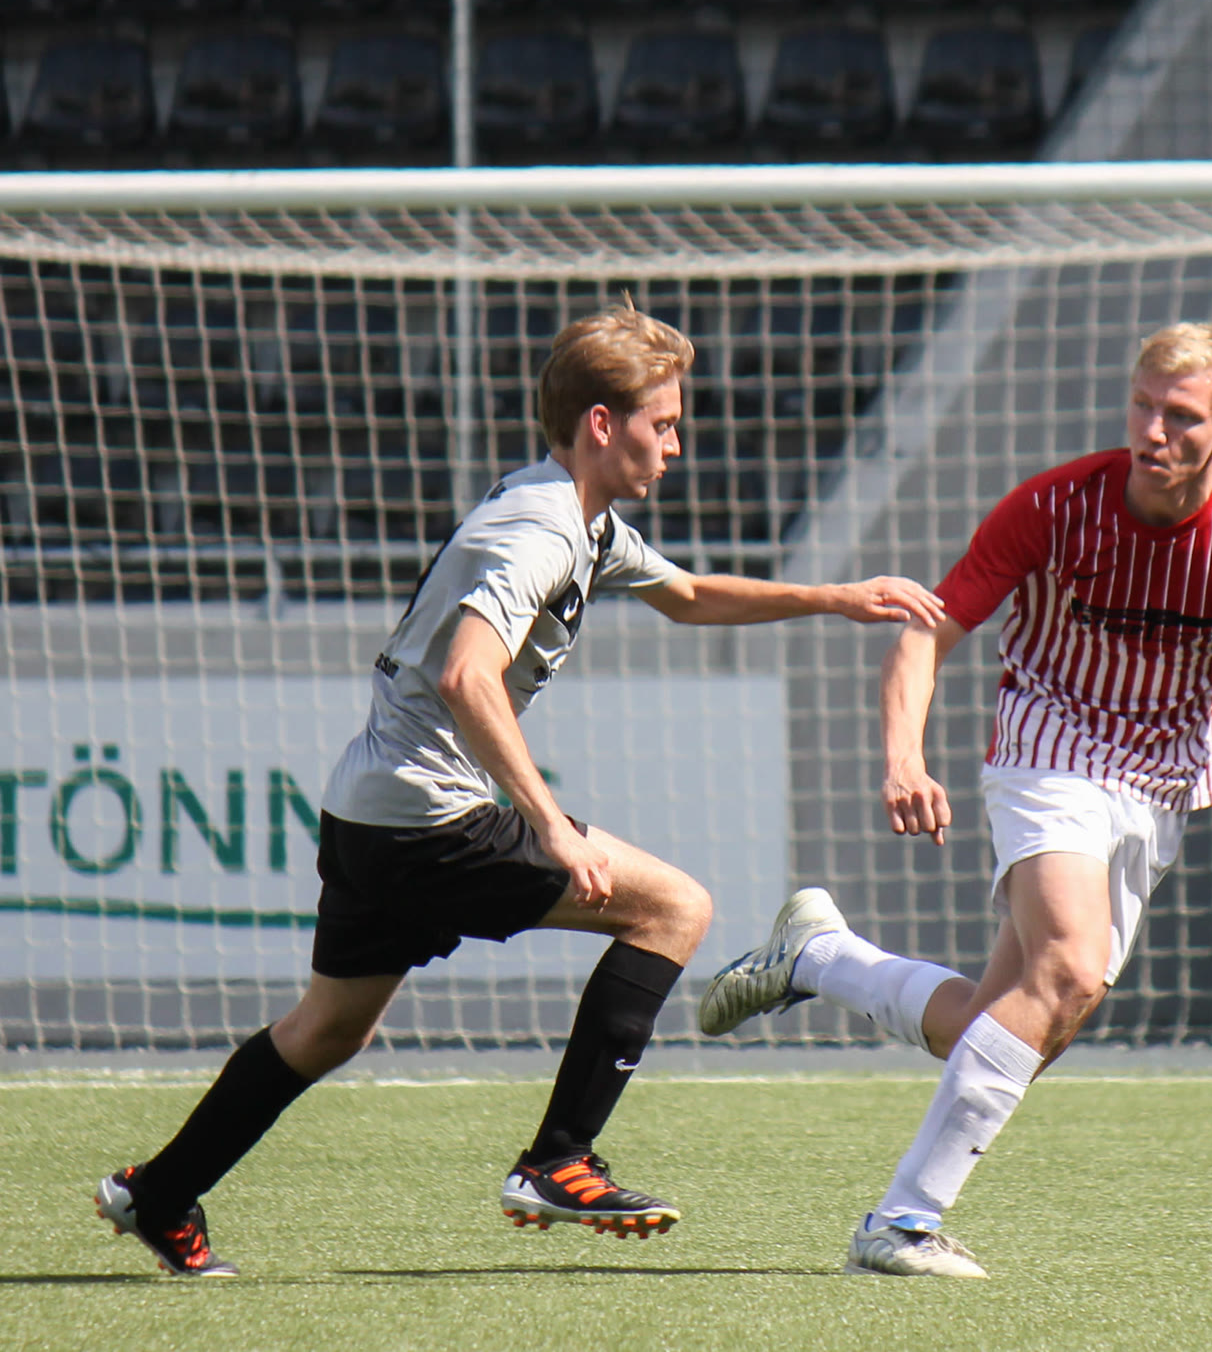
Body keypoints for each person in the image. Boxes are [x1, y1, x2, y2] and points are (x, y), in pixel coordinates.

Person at [92, 300, 944, 1277]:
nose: (676, 444)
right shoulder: (539, 530)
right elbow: (467, 675)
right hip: (432, 819)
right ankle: (558, 1160)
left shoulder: (581, 519)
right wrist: (552, 825)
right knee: (675, 908)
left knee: (325, 1030)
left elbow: (686, 596)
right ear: (601, 424)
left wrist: (834, 598)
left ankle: (159, 1192)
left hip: (368, 812)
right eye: (663, 423)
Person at [698, 321, 1212, 1278]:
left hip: (1160, 782)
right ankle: (900, 1225)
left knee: (998, 1027)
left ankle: (821, 959)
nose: (1153, 430)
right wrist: (903, 758)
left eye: (1181, 416)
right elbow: (927, 631)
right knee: (1069, 969)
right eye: (1142, 406)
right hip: (1049, 748)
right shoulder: (1054, 505)